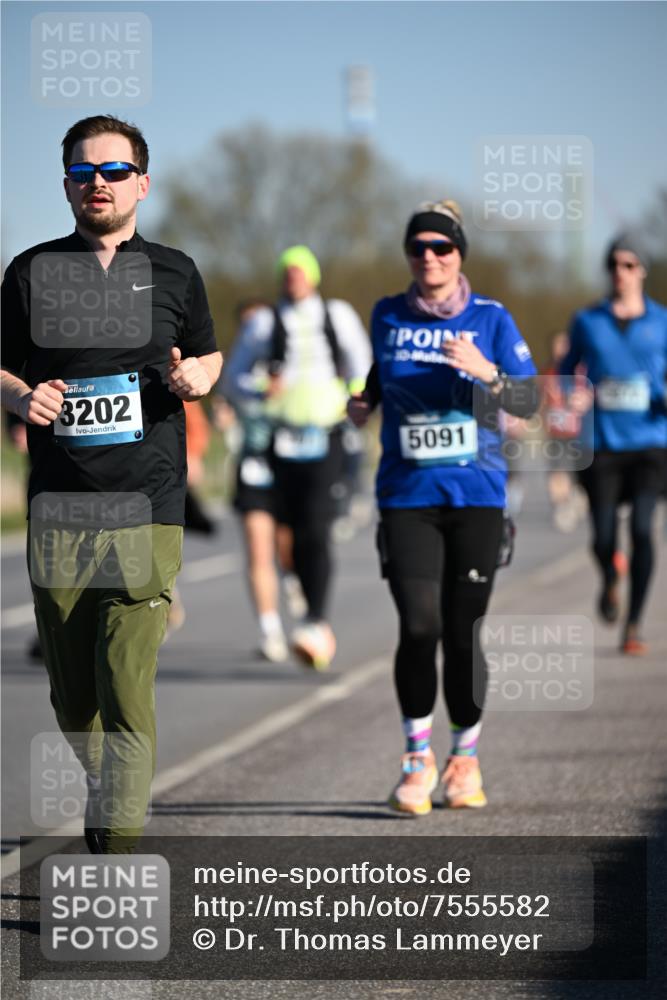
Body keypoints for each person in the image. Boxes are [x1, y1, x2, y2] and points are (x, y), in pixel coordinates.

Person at [0, 115, 222, 852]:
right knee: (74, 702)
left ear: (142, 183)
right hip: (59, 510)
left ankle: (117, 851)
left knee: (126, 685)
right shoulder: (30, 272)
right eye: (83, 171)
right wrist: (18, 397)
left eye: (114, 170)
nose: (99, 182)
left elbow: (210, 356)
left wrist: (197, 376)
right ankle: (110, 786)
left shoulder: (175, 271)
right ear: (66, 183)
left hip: (147, 507)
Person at [348, 200, 538, 814]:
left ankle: (465, 758)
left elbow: (532, 401)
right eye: (418, 248)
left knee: (462, 633)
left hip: (477, 496)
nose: (428, 257)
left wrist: (489, 373)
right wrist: (365, 400)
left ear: (459, 255)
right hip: (407, 497)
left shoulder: (492, 318)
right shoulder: (387, 314)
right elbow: (382, 369)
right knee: (419, 624)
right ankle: (415, 758)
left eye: (442, 248)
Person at [223, 247, 371, 669]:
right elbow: (233, 378)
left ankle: (315, 621)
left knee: (316, 529)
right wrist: (256, 390)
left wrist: (352, 400)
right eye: (285, 272)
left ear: (314, 275)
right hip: (277, 440)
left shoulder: (336, 316)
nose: (293, 278)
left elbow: (362, 363)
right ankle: (297, 614)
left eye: (300, 271)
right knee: (287, 533)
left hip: (325, 436)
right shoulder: (265, 323)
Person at [560, 233, 667, 655]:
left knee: (643, 529)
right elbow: (567, 371)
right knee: (602, 537)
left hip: (650, 441)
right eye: (613, 265)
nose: (619, 273)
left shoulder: (662, 321)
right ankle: (610, 574)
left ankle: (634, 624)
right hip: (602, 442)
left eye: (628, 264)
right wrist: (575, 393)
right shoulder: (587, 321)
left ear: (641, 270)